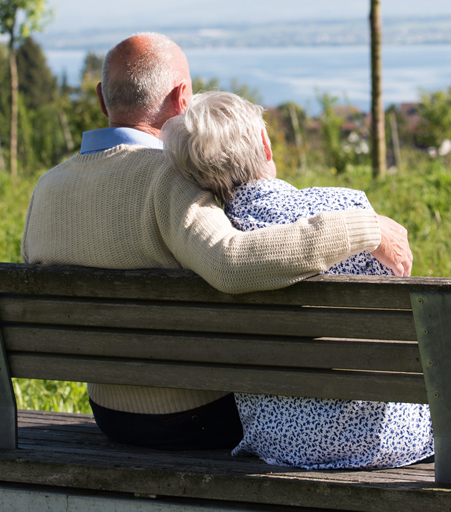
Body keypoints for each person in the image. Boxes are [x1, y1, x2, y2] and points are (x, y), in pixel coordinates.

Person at [20, 33, 412, 452]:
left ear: (102, 98)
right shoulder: (169, 178)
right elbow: (231, 263)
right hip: (193, 417)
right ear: (182, 97)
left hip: (109, 415)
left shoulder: (47, 187)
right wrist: (366, 229)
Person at [161, 91, 434, 470]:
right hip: (382, 440)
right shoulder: (347, 209)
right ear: (265, 144)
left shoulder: (209, 242)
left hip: (277, 442)